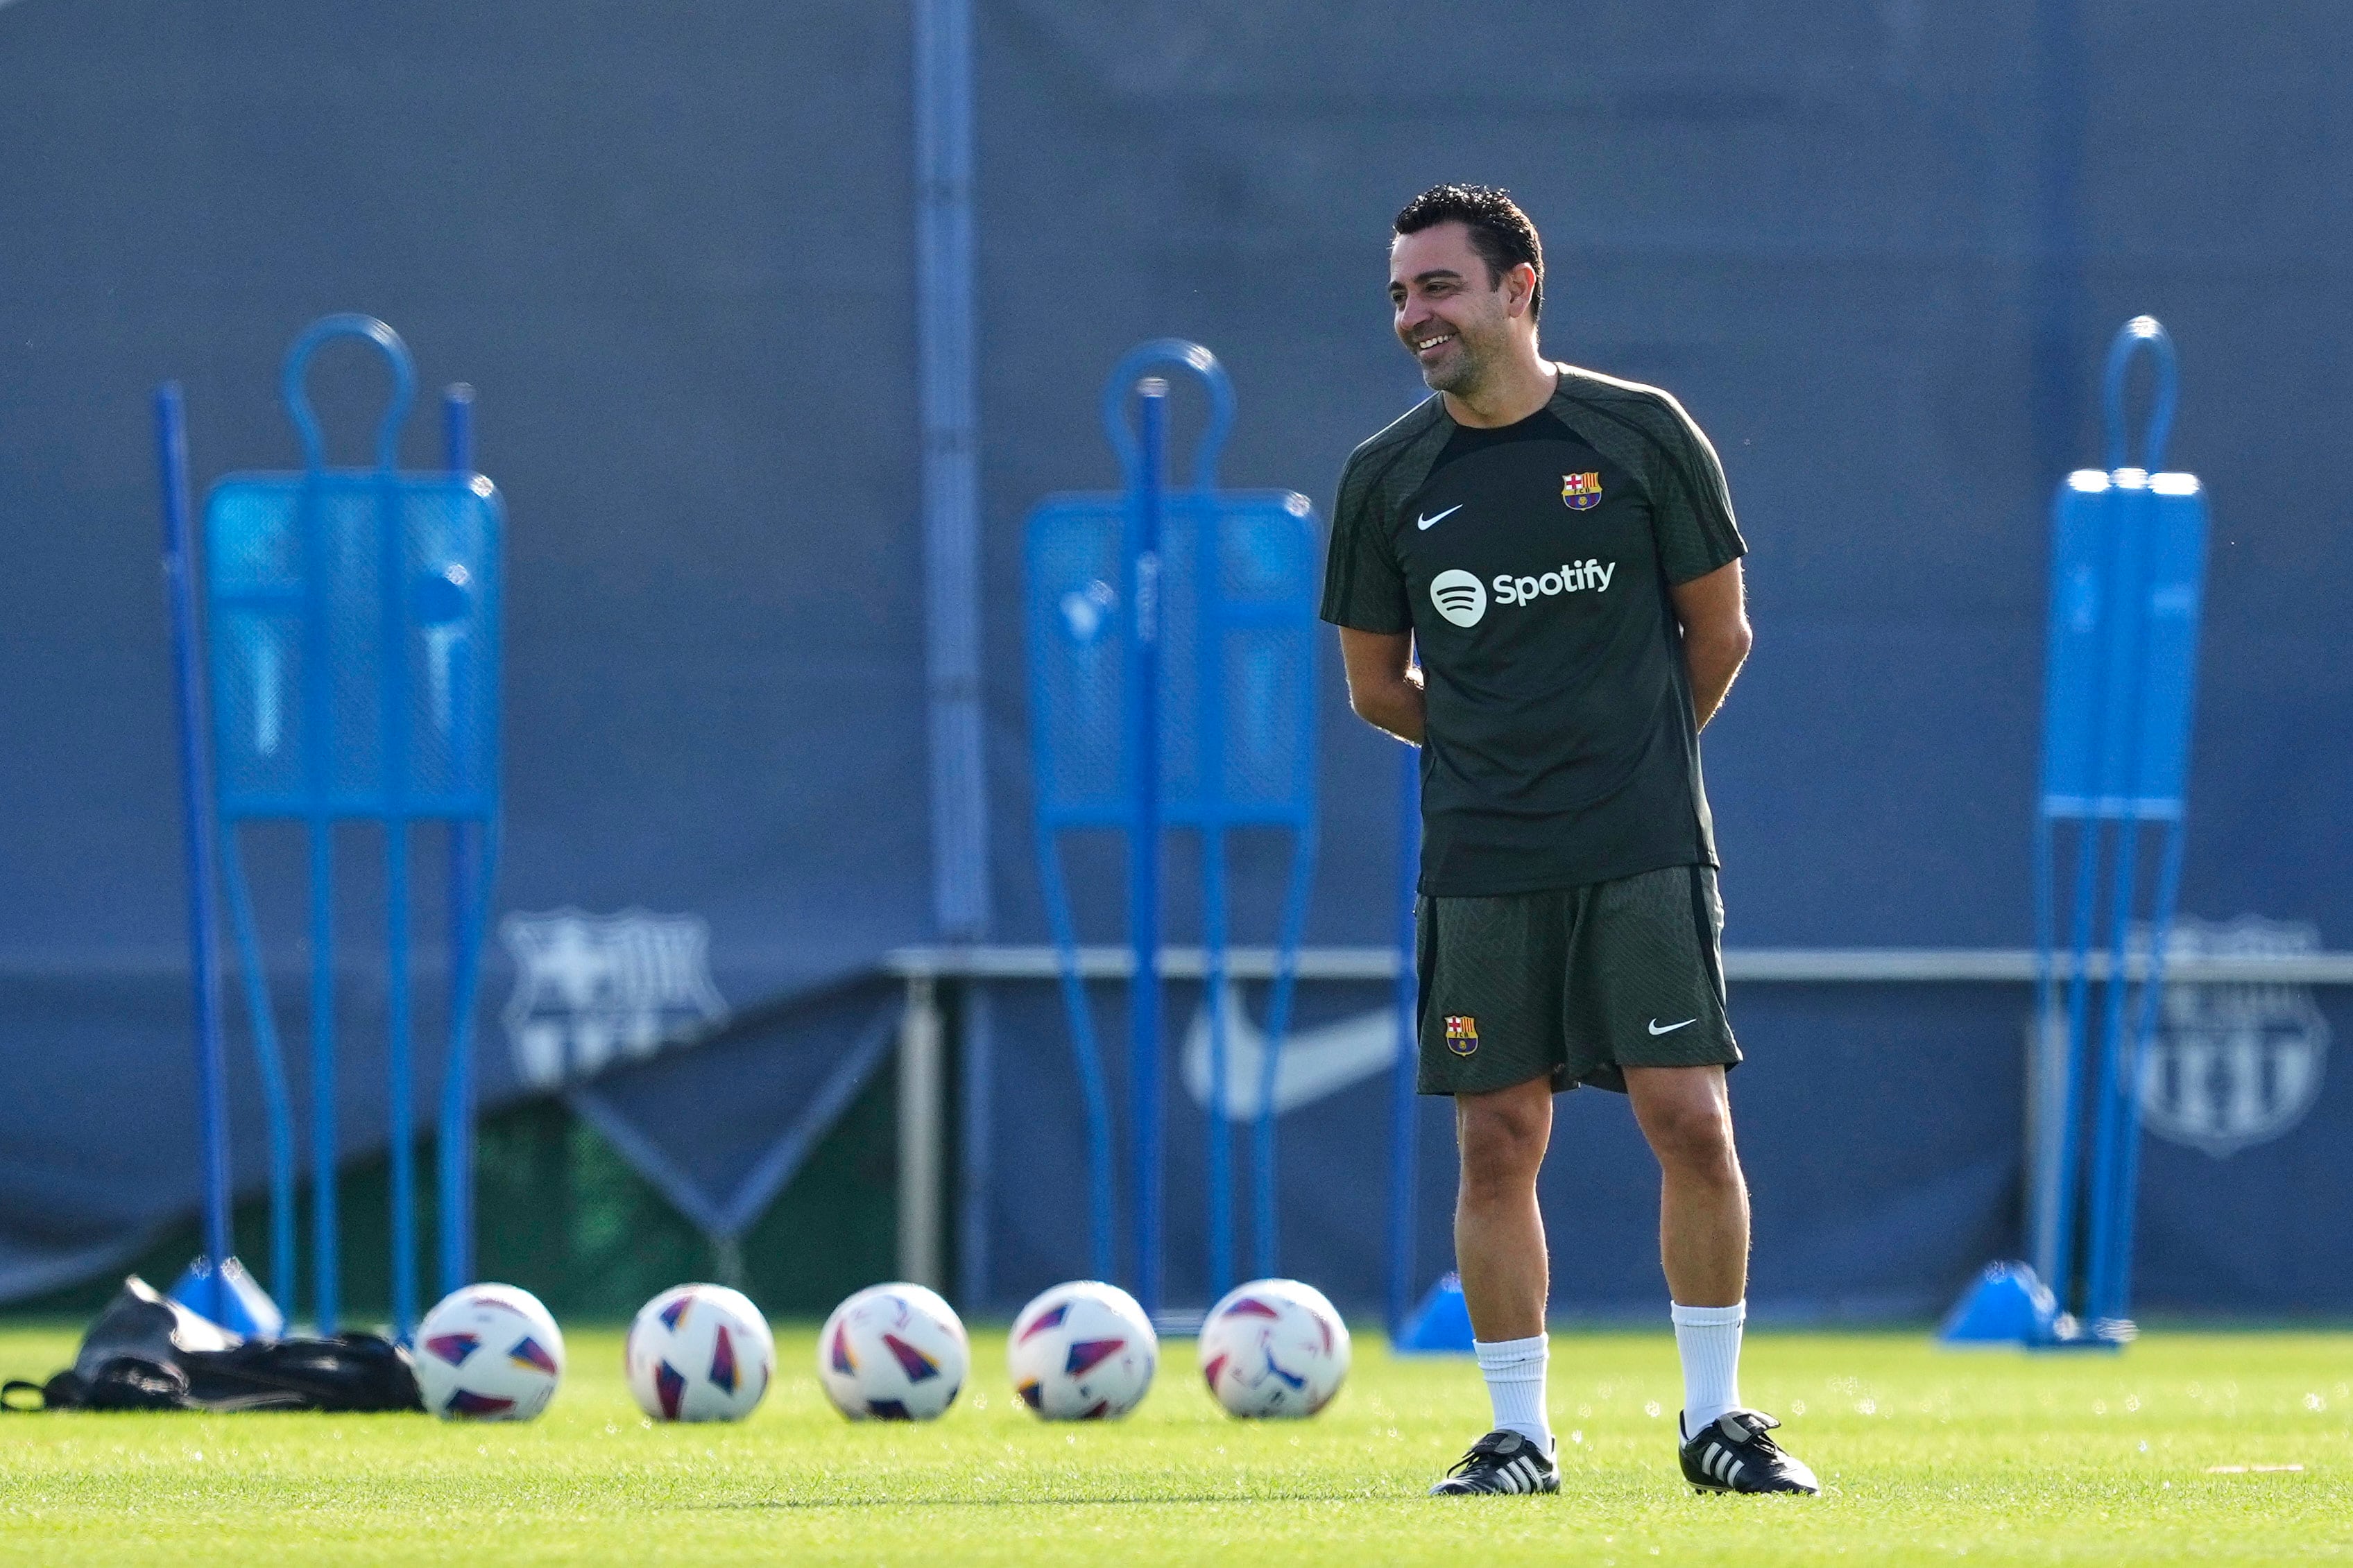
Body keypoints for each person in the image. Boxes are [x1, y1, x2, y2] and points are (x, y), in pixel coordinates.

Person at [1320, 184, 1817, 1498]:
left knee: (1688, 1118)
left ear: (1519, 288)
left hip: (1643, 843)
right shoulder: (1386, 478)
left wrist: (1630, 761)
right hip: (1483, 859)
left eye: (1436, 287)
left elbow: (1720, 635)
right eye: (1399, 294)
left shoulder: (1642, 435)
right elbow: (1376, 686)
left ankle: (1718, 1423)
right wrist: (1502, 758)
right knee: (1498, 1141)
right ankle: (1518, 1438)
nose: (1412, 315)